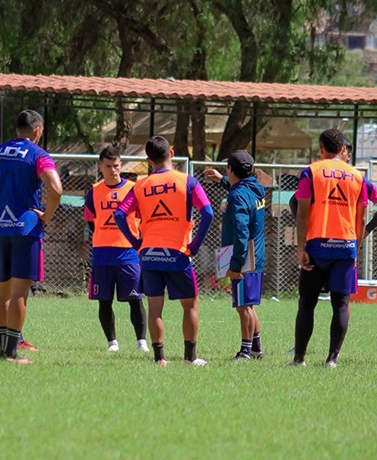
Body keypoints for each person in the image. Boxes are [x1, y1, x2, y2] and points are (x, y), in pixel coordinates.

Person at [0, 109, 62, 364]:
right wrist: (47, 215)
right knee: (19, 294)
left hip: (0, 230)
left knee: (2, 294)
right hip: (25, 230)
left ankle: (4, 351)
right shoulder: (38, 154)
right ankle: (13, 353)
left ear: (17, 129)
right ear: (37, 130)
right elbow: (56, 189)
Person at [114, 136, 214, 366]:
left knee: (155, 308)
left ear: (149, 160)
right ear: (172, 151)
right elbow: (207, 212)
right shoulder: (187, 181)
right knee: (190, 305)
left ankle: (160, 358)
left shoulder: (140, 186)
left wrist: (135, 241)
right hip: (177, 253)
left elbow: (120, 214)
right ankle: (190, 358)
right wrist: (195, 245)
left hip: (148, 254)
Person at [292, 129, 367, 368]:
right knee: (341, 304)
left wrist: (300, 247)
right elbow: (362, 218)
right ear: (344, 150)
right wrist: (356, 247)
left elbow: (302, 213)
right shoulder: (358, 176)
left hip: (317, 246)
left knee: (307, 303)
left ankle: (299, 359)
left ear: (321, 149)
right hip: (345, 246)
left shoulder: (311, 172)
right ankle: (332, 359)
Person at [84, 146, 149, 353]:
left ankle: (141, 342)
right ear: (100, 167)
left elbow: (143, 217)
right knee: (104, 300)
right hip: (102, 253)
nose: (114, 170)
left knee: (135, 299)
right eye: (109, 166)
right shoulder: (93, 192)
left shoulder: (133, 189)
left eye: (117, 166)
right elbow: (91, 222)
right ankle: (112, 342)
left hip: (128, 252)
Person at [203, 150, 266, 360]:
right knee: (248, 304)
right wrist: (221, 180)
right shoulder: (255, 190)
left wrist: (235, 265)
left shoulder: (237, 195)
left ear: (231, 169)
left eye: (226, 168)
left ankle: (245, 351)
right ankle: (256, 348)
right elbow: (240, 192)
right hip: (257, 255)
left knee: (242, 307)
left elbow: (241, 232)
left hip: (243, 259)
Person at [289, 140, 377, 238]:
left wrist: (366, 231)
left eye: (340, 153)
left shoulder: (357, 179)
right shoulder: (321, 177)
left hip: (341, 239)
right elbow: (294, 201)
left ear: (348, 156)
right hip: (329, 239)